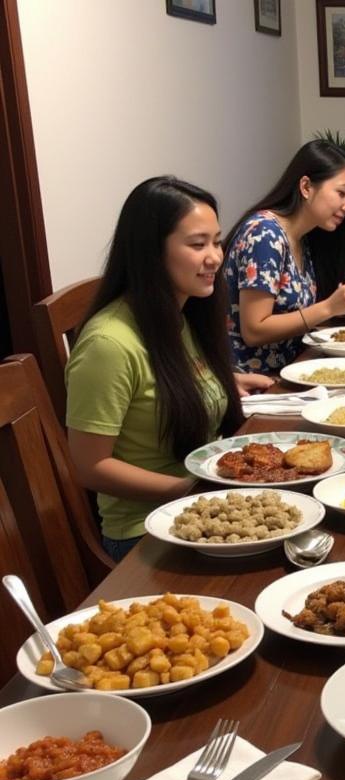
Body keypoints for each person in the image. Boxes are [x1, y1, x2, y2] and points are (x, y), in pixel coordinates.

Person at [66, 177, 270, 561]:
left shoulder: (182, 313)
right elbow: (90, 467)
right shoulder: (108, 344)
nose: (215, 257)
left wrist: (224, 380)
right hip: (146, 532)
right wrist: (192, 490)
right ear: (150, 252)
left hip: (208, 507)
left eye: (217, 241)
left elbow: (168, 381)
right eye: (197, 244)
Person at [225, 139, 345, 373]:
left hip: (296, 367)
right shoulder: (264, 235)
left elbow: (296, 312)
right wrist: (329, 307)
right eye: (341, 193)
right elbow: (254, 331)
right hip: (257, 383)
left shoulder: (302, 238)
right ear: (306, 187)